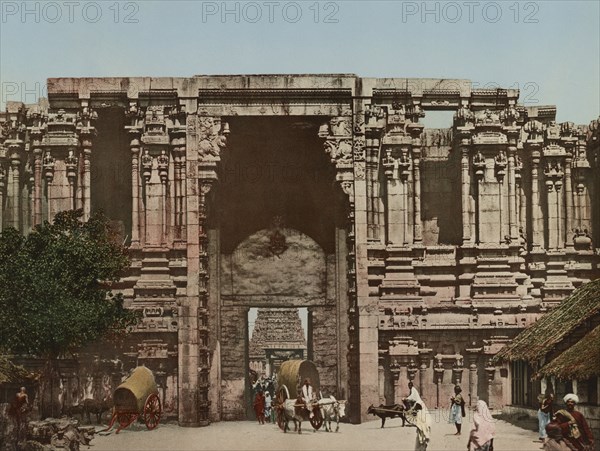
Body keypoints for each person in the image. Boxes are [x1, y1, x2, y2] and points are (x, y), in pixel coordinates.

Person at [404, 384, 431, 450]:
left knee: (421, 437)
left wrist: (406, 399)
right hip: (424, 423)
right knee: (422, 437)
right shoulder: (420, 405)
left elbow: (412, 397)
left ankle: (422, 448)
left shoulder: (418, 403)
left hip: (423, 423)